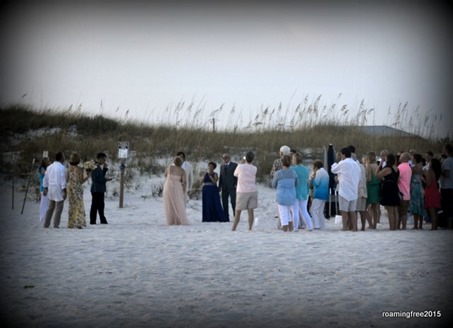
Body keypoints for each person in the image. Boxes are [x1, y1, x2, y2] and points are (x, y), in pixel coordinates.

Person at [331, 147, 361, 231]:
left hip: (344, 190)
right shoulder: (356, 164)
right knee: (352, 211)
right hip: (354, 190)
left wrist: (335, 162)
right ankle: (354, 228)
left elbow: (334, 170)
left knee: (344, 211)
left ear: (343, 154)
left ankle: (344, 227)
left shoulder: (343, 163)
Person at [232, 151, 258, 231]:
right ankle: (250, 228)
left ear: (245, 158)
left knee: (238, 211)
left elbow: (235, 174)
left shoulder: (240, 166)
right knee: (251, 211)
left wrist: (241, 163)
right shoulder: (254, 168)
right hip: (253, 190)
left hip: (242, 190)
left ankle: (234, 228)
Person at [272, 155, 298, 232]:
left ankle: (285, 231)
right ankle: (291, 229)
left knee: (283, 214)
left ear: (281, 163)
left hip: (282, 195)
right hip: (291, 194)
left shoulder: (278, 173)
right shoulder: (293, 172)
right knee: (288, 213)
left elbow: (273, 184)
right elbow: (297, 183)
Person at [43, 152, 67, 228]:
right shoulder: (62, 168)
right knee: (58, 208)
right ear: (61, 158)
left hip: (51, 189)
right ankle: (56, 225)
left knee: (50, 208)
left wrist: (45, 188)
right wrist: (64, 190)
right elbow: (63, 180)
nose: (64, 158)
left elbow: (45, 179)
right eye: (63, 156)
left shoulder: (49, 167)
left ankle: (46, 224)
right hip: (58, 189)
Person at [376, 153, 400, 230]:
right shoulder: (396, 168)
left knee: (390, 210)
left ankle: (392, 227)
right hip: (394, 187)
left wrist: (380, 165)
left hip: (388, 188)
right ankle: (396, 226)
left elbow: (377, 175)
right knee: (395, 209)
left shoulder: (388, 169)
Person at [163, 156, 189, 225]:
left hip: (168, 186)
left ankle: (171, 220)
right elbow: (184, 181)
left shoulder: (170, 168)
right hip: (177, 187)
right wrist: (184, 189)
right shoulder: (182, 170)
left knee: (170, 204)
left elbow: (165, 175)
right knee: (178, 203)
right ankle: (178, 219)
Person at [66, 152, 89, 229]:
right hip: (77, 188)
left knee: (71, 205)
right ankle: (78, 223)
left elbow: (66, 179)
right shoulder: (80, 169)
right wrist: (88, 176)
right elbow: (81, 180)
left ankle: (71, 223)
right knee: (79, 205)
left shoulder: (68, 169)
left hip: (70, 188)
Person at [291, 152, 313, 231]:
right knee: (304, 210)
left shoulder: (293, 169)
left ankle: (295, 227)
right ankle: (310, 226)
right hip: (304, 190)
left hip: (295, 191)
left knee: (295, 211)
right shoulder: (306, 169)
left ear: (295, 160)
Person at [90, 152, 112, 225]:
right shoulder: (94, 166)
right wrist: (105, 179)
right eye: (103, 159)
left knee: (101, 205)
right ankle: (93, 221)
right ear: (99, 159)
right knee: (95, 206)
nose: (104, 161)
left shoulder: (100, 166)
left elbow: (101, 175)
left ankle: (102, 219)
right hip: (96, 189)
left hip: (100, 189)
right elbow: (96, 178)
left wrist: (105, 169)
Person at [309, 160, 329, 230]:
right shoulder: (325, 172)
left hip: (318, 194)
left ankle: (317, 225)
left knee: (312, 210)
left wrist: (312, 178)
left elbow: (316, 183)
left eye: (313, 167)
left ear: (316, 167)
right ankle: (322, 225)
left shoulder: (318, 172)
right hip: (325, 194)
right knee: (320, 211)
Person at [422, 157, 442, 230]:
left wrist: (422, 177)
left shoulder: (430, 171)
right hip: (435, 191)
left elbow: (428, 183)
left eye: (430, 161)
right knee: (435, 212)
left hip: (430, 191)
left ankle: (433, 227)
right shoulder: (436, 172)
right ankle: (435, 226)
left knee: (432, 211)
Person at [218, 153, 238, 222]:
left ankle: (236, 216)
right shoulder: (222, 166)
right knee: (224, 203)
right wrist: (219, 186)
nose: (225, 159)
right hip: (224, 187)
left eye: (226, 157)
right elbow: (221, 177)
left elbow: (237, 176)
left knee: (233, 202)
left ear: (229, 158)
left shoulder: (234, 165)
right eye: (223, 158)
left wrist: (236, 184)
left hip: (232, 187)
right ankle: (226, 217)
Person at [409, 154, 426, 229]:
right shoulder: (422, 167)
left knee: (415, 205)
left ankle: (416, 225)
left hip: (414, 186)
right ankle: (421, 225)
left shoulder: (413, 168)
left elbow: (410, 177)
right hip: (420, 186)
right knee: (421, 205)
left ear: (415, 159)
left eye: (412, 158)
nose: (412, 159)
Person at [364, 152, 380, 229]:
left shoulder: (369, 166)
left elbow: (369, 178)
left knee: (365, 207)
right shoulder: (377, 166)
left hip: (370, 188)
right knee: (375, 208)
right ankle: (375, 224)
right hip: (376, 188)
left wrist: (364, 179)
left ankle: (370, 224)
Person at [397, 152, 412, 230]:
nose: (399, 158)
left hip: (401, 192)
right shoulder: (409, 167)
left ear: (404, 158)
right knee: (404, 212)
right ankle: (404, 226)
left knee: (400, 211)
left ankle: (401, 226)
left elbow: (398, 178)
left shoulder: (401, 167)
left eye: (401, 156)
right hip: (407, 192)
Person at [440, 144, 453, 229]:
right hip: (450, 186)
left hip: (447, 187)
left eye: (443, 149)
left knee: (447, 206)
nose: (442, 150)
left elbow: (447, 174)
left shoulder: (448, 161)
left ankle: (449, 225)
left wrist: (440, 171)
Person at [358, 156, 372, 231]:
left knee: (360, 210)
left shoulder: (358, 167)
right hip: (364, 190)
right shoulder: (363, 167)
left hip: (359, 190)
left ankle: (353, 226)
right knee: (363, 210)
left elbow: (368, 179)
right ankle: (364, 226)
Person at [38, 157, 50, 222]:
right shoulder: (42, 168)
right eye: (47, 161)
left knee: (46, 203)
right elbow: (45, 174)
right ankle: (42, 217)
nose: (48, 162)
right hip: (43, 187)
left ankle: (44, 217)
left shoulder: (45, 168)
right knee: (43, 203)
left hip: (46, 187)